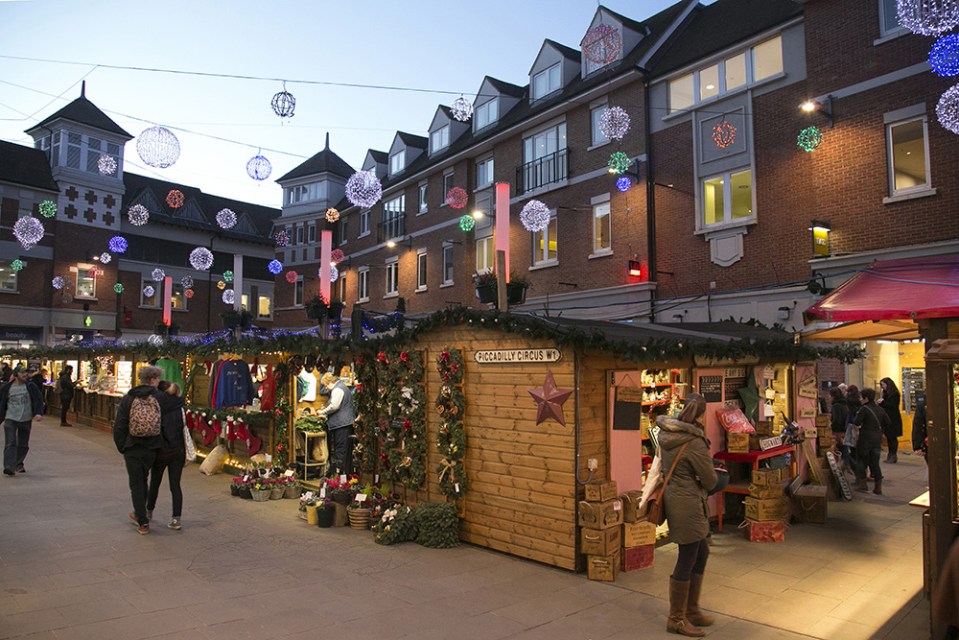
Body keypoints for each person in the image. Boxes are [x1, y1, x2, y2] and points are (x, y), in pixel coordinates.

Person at [656, 393, 718, 637]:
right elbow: (711, 479)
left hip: (676, 497)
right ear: (701, 414)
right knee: (689, 555)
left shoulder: (667, 434)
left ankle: (691, 609)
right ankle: (677, 618)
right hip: (689, 502)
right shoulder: (694, 441)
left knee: (701, 551)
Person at [113, 365, 164, 535]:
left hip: (132, 446)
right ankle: (141, 513)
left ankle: (142, 521)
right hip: (153, 446)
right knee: (144, 478)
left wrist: (122, 446)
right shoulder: (159, 397)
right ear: (153, 379)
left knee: (136, 482)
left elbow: (120, 424)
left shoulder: (129, 397)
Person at [146, 381, 187, 531]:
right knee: (175, 485)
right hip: (178, 450)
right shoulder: (180, 406)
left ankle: (148, 512)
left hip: (162, 450)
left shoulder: (158, 406)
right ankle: (176, 518)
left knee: (155, 482)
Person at [0, 365, 44, 476]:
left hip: (26, 418)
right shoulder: (7, 388)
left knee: (23, 444)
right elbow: (1, 403)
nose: (25, 375)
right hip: (11, 418)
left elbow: (38, 399)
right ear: (15, 375)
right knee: (11, 442)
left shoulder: (31, 386)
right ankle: (9, 466)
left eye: (26, 373)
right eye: (22, 373)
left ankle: (18, 463)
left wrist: (38, 413)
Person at [852, 388, 889, 495]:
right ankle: (878, 487)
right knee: (875, 463)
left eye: (861, 397)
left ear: (866, 398)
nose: (860, 399)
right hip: (877, 439)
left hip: (865, 439)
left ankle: (863, 485)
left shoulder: (864, 409)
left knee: (861, 461)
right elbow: (887, 421)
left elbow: (856, 422)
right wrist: (880, 430)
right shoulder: (880, 409)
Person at [318, 371, 355, 477]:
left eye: (325, 385)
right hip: (343, 424)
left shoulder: (337, 389)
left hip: (342, 425)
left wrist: (323, 412)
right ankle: (341, 477)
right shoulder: (341, 387)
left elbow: (334, 406)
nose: (326, 388)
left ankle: (341, 479)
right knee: (342, 451)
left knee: (341, 452)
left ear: (328, 382)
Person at [878, 377, 904, 463]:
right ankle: (890, 454)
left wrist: (882, 402)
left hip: (893, 418)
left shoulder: (895, 394)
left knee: (893, 437)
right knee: (889, 437)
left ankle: (893, 455)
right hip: (887, 418)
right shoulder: (885, 394)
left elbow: (893, 406)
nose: (882, 387)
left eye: (883, 385)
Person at [829, 386, 851, 472]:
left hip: (837, 431)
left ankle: (848, 465)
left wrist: (832, 427)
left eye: (830, 395)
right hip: (844, 430)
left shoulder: (836, 406)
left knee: (839, 450)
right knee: (844, 449)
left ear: (833, 396)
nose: (829, 397)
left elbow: (837, 420)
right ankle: (847, 464)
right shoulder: (844, 404)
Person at [913, 392, 928, 465]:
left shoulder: (922, 405)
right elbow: (918, 425)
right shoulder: (922, 406)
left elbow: (918, 425)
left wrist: (917, 446)